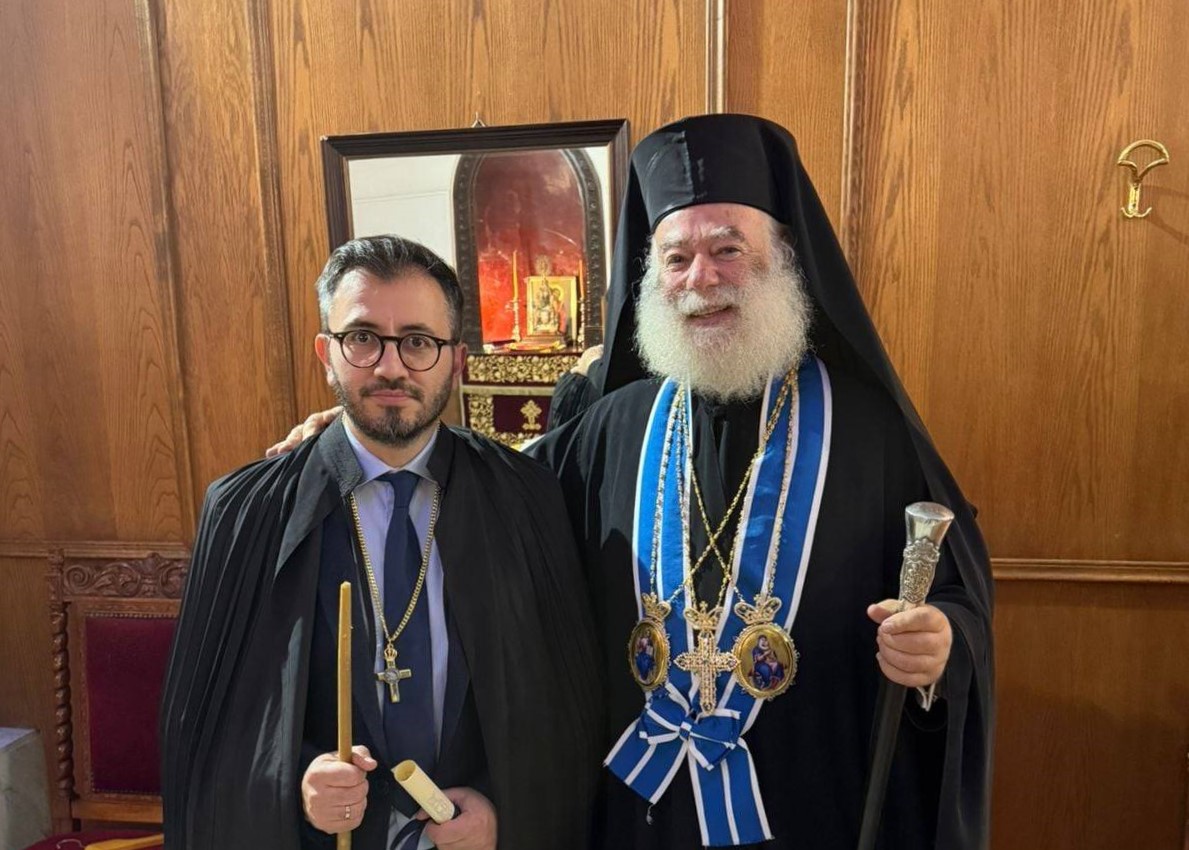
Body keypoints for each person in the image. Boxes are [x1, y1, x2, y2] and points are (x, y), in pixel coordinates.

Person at [272, 114, 994, 849]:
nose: (700, 280)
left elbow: (953, 594)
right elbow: (483, 484)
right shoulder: (612, 427)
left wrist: (942, 644)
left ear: (783, 259)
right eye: (676, 258)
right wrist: (352, 435)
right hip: (636, 815)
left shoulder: (870, 433)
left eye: (727, 251)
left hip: (807, 806)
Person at [160, 235, 603, 850]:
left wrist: (507, 815)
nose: (391, 367)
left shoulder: (527, 497)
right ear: (326, 352)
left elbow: (568, 709)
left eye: (418, 341)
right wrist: (295, 785)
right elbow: (207, 733)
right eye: (363, 338)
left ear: (457, 360)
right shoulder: (245, 512)